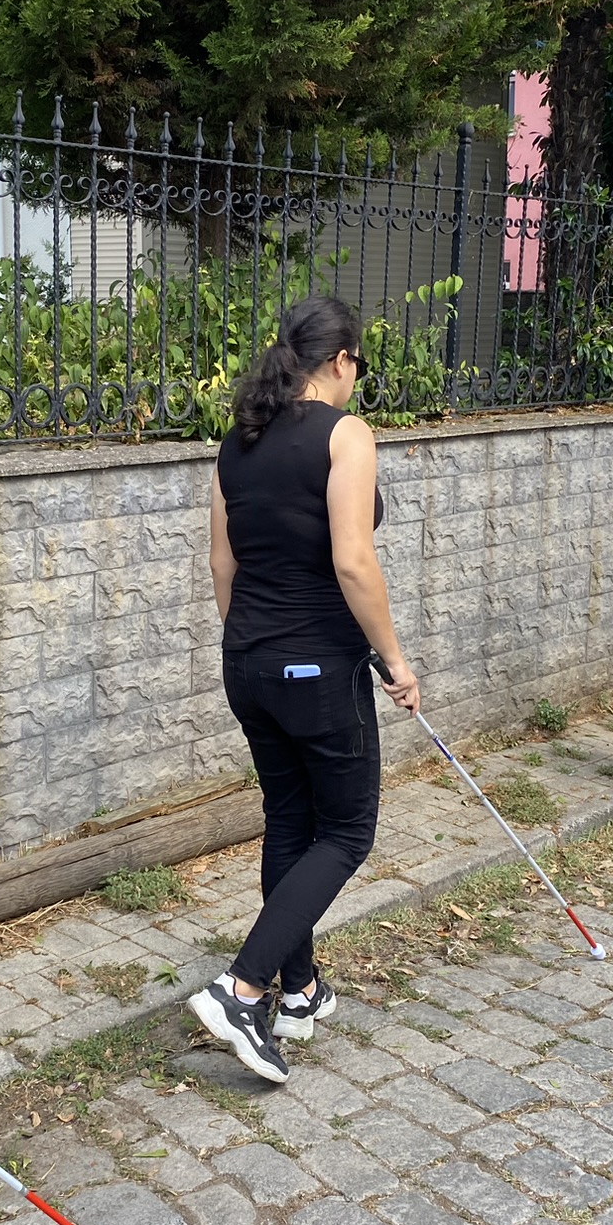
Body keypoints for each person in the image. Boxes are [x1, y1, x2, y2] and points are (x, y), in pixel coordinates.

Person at [190, 296, 419, 1085]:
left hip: (248, 663)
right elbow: (355, 561)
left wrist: (250, 643)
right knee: (348, 831)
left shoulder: (237, 442)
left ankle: (301, 990)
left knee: (290, 821)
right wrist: (394, 659)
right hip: (317, 666)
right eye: (359, 366)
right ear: (341, 361)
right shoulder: (345, 435)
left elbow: (223, 566)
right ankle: (241, 987)